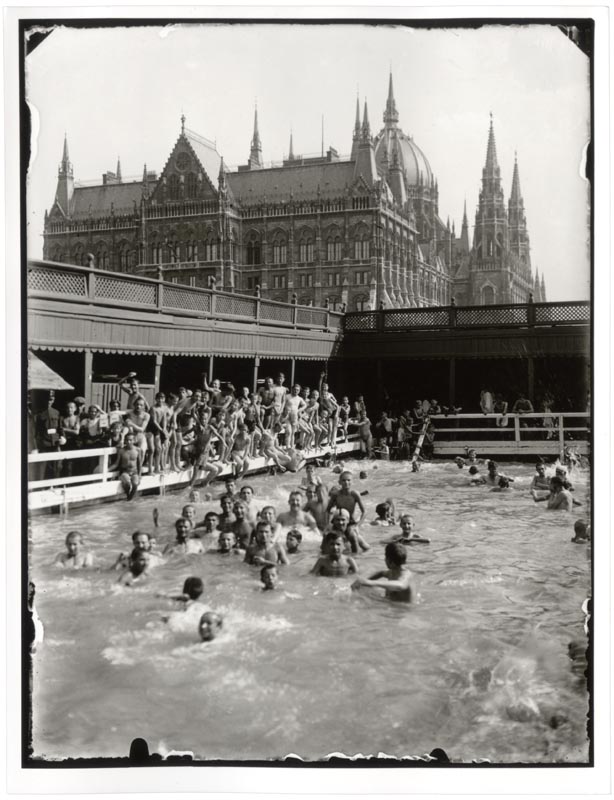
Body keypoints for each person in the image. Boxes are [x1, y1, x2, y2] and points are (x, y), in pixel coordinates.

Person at [109, 431, 142, 500]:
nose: (128, 442)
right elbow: (116, 464)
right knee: (127, 483)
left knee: (135, 484)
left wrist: (139, 475)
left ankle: (129, 499)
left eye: (130, 440)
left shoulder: (138, 450)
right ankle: (128, 497)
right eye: (127, 440)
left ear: (134, 441)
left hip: (134, 472)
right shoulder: (121, 450)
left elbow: (139, 464)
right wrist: (107, 470)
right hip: (125, 472)